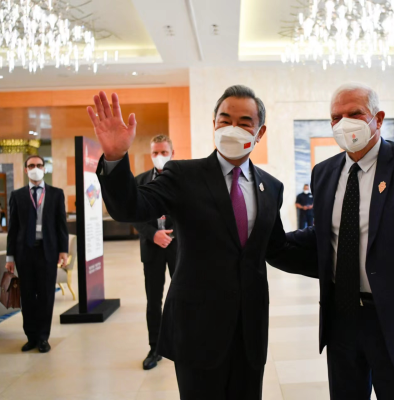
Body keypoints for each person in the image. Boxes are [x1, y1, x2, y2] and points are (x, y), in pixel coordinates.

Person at [86, 86, 314, 400]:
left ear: (260, 132)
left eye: (244, 122)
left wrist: (335, 252)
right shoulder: (183, 175)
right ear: (214, 124)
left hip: (250, 331)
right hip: (197, 329)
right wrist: (114, 157)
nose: (232, 128)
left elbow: (275, 248)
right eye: (225, 120)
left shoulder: (270, 187)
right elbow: (131, 208)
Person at [267, 83, 394, 400]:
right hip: (341, 320)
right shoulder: (324, 173)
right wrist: (267, 238)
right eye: (336, 117)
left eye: (355, 113)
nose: (344, 123)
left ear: (378, 118)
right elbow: (326, 236)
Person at [5, 155, 69, 353]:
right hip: (24, 252)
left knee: (46, 295)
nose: (35, 168)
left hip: (47, 251)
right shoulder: (17, 195)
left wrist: (63, 250)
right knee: (27, 296)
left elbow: (61, 225)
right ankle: (31, 337)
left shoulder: (56, 194)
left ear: (44, 168)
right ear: (26, 170)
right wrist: (10, 257)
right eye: (31, 165)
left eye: (39, 165)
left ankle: (43, 338)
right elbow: (13, 228)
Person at [132, 134, 178, 370]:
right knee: (153, 300)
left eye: (164, 152)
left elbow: (190, 213)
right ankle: (155, 348)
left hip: (177, 247)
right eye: (155, 153)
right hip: (152, 249)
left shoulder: (182, 180)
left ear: (172, 153)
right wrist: (153, 234)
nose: (159, 156)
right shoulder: (140, 181)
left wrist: (172, 234)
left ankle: (182, 343)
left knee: (181, 297)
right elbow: (133, 215)